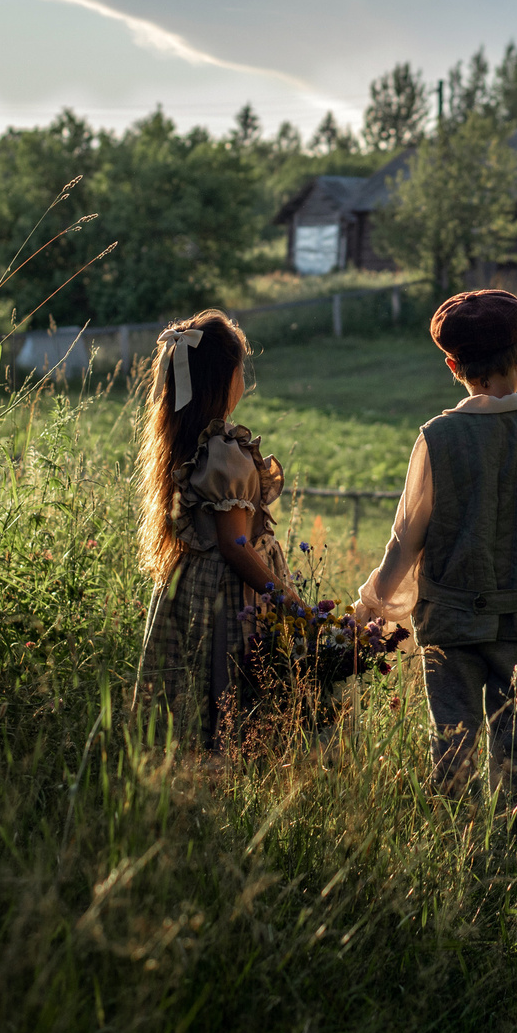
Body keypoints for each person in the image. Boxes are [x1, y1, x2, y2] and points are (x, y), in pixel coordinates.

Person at [351, 289, 517, 838]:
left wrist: (374, 602)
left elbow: (406, 538)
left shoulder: (437, 437)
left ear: (452, 365)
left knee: (453, 742)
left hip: (450, 620)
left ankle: (456, 856)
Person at [131, 310, 302, 750]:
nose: (244, 378)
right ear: (225, 379)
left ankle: (194, 762)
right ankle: (227, 765)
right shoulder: (225, 452)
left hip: (190, 584)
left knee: (192, 684)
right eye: (241, 369)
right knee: (229, 685)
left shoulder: (187, 440)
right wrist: (287, 600)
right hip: (229, 593)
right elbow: (235, 544)